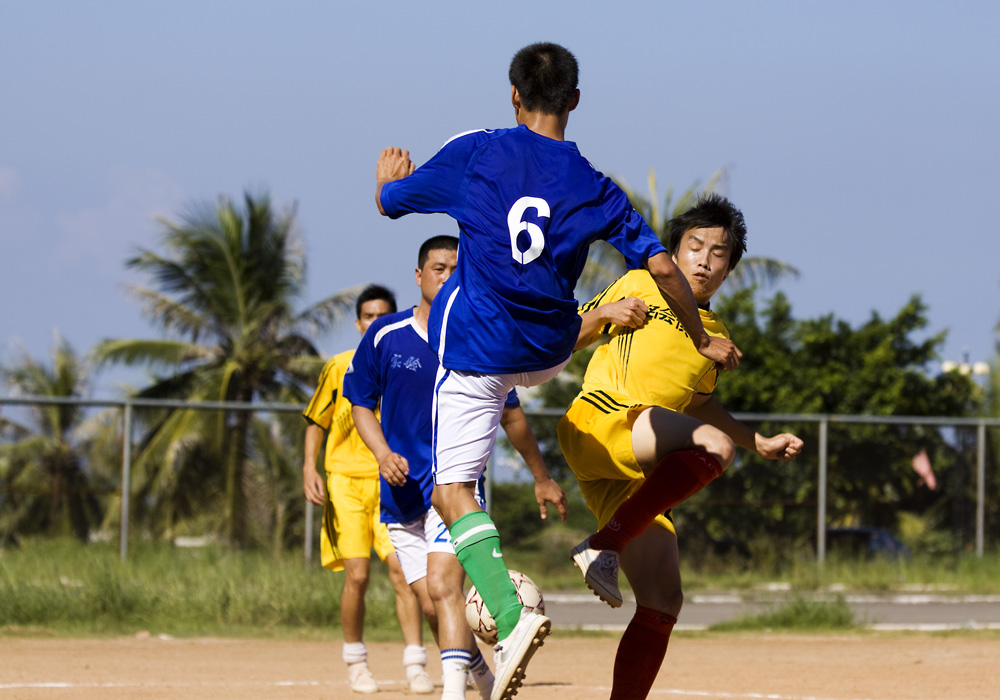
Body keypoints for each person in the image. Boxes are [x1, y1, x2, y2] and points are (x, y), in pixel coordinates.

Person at [374, 42, 741, 700]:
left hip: (483, 349)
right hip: (551, 347)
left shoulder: (479, 151)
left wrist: (385, 181)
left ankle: (509, 615)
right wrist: (699, 337)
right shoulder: (594, 183)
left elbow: (394, 203)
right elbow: (663, 268)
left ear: (514, 95)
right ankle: (576, 559)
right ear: (574, 100)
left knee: (451, 492)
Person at [558, 194, 805, 700]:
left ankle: (609, 543)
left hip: (635, 465)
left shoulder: (714, 336)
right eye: (695, 246)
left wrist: (758, 441)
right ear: (673, 252)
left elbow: (699, 406)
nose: (705, 261)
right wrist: (605, 312)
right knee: (716, 448)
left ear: (729, 269)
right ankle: (605, 543)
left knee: (663, 600)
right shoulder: (639, 283)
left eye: (719, 253)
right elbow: (563, 336)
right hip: (601, 419)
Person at [345, 236, 568, 700]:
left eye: (455, 269)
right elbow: (360, 403)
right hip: (400, 493)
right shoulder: (385, 334)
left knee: (445, 588)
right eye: (438, 268)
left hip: (455, 487)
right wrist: (383, 453)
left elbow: (512, 416)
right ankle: (482, 677)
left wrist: (541, 476)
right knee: (432, 603)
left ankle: (456, 692)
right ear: (419, 275)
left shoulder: (476, 340)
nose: (447, 277)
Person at [302, 284, 433, 695]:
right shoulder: (339, 366)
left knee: (405, 572)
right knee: (357, 576)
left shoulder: (403, 358)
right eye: (368, 316)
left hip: (391, 481)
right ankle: (356, 662)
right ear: (359, 323)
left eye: (383, 316)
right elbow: (316, 421)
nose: (375, 322)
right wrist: (309, 467)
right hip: (345, 482)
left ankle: (416, 663)